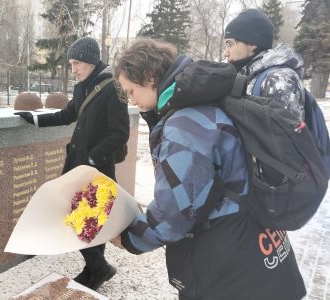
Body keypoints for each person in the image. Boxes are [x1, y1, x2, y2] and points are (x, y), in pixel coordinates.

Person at [111, 38, 306, 299]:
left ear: (148, 77)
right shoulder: (203, 101)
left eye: (130, 91)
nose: (131, 101)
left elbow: (175, 213)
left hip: (230, 267)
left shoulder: (185, 124)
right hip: (257, 246)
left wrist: (128, 237)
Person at [15, 36, 130, 290]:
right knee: (84, 219)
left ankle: (98, 269)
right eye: (71, 63)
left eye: (76, 63)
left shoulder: (113, 87)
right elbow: (68, 114)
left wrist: (93, 158)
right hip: (77, 165)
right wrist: (34, 119)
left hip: (96, 167)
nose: (73, 69)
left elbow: (120, 132)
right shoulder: (81, 87)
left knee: (84, 220)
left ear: (90, 61)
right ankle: (96, 270)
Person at [223, 8, 305, 120]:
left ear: (252, 43)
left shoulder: (278, 79)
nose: (225, 53)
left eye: (230, 44)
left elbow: (287, 134)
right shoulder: (249, 75)